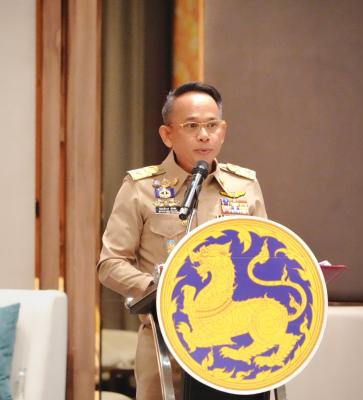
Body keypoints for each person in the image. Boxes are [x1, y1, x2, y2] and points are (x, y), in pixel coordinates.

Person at [97, 82, 267, 400]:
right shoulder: (141, 188)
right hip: (166, 343)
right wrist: (160, 289)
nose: (204, 135)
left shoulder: (245, 186)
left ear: (223, 131)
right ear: (167, 134)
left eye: (212, 125)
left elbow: (263, 258)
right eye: (191, 126)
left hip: (234, 342)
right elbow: (110, 264)